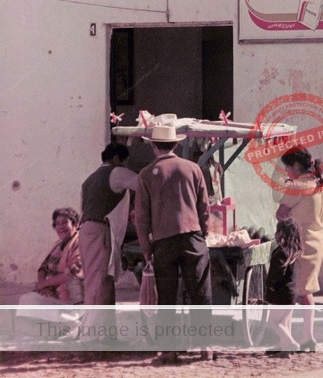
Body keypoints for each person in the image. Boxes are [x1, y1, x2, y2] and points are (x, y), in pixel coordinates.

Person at [134, 125, 212, 365]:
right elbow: (204, 207)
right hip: (192, 236)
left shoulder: (146, 174)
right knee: (200, 293)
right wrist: (204, 234)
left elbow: (141, 217)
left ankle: (168, 349)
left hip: (163, 240)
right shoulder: (193, 168)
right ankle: (204, 346)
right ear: (176, 144)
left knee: (167, 296)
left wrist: (147, 249)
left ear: (153, 145)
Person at [273, 146, 323, 352]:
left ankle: (286, 338)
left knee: (292, 291)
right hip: (317, 240)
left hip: (299, 244)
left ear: (296, 165)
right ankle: (306, 336)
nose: (287, 172)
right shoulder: (321, 184)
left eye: (287, 167)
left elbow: (281, 213)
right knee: (305, 292)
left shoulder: (299, 185)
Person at [79, 143, 137, 338]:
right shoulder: (117, 172)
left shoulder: (88, 180)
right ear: (116, 159)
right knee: (98, 282)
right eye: (125, 162)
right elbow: (142, 185)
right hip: (100, 230)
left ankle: (106, 332)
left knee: (102, 281)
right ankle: (92, 334)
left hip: (87, 229)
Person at [16, 207, 83, 336]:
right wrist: (42, 287)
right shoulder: (59, 244)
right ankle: (62, 327)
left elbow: (72, 274)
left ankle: (73, 323)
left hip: (73, 297)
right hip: (54, 292)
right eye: (57, 224)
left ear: (75, 224)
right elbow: (43, 268)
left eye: (64, 222)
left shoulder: (80, 243)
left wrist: (45, 284)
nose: (60, 227)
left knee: (35, 303)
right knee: (27, 299)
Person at [265, 219, 304, 355]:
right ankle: (283, 345)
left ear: (281, 233)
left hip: (281, 295)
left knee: (274, 322)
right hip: (292, 295)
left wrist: (269, 286)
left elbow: (276, 274)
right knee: (285, 321)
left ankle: (291, 342)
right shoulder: (295, 253)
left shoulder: (281, 253)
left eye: (277, 231)